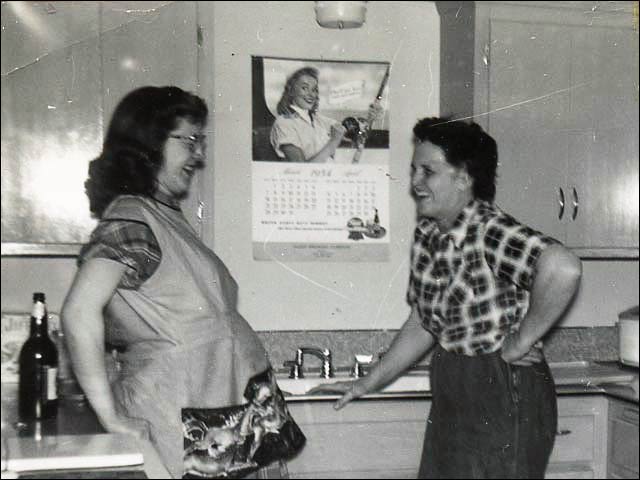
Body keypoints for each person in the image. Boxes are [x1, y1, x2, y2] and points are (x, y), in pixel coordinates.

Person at [310, 117, 583, 478]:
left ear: (464, 178)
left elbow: (563, 267)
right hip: (453, 380)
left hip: (502, 385)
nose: (415, 183)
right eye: (413, 171)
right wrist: (369, 381)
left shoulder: (489, 231)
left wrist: (522, 340)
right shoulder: (429, 233)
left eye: (428, 171)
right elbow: (424, 321)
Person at [61, 86, 271, 478]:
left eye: (200, 140)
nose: (199, 154)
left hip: (210, 411)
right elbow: (78, 312)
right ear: (149, 142)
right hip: (173, 415)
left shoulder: (162, 215)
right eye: (189, 140)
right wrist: (110, 417)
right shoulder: (132, 217)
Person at [269, 66, 347, 163]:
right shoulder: (284, 124)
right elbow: (302, 170)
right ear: (291, 91)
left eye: (314, 90)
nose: (311, 94)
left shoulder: (316, 118)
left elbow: (345, 129)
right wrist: (333, 142)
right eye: (304, 88)